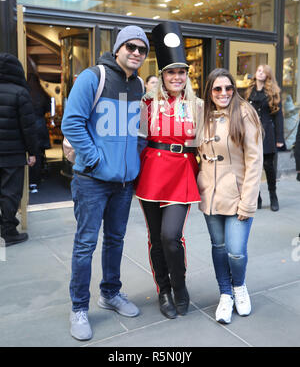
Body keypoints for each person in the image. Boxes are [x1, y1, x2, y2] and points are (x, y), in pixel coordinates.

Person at [61, 25, 149, 341]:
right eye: (131, 47)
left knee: (116, 240)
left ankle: (110, 293)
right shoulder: (93, 77)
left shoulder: (138, 84)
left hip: (124, 183)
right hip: (92, 181)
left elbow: (139, 129)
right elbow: (71, 121)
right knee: (85, 243)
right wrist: (96, 158)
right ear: (118, 48)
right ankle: (79, 308)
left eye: (142, 49)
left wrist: (134, 164)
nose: (136, 53)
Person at [136, 21, 203, 319]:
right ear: (162, 75)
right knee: (155, 237)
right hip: (151, 172)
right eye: (171, 71)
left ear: (187, 75)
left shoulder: (199, 105)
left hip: (182, 173)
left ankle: (180, 286)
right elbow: (134, 140)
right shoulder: (146, 104)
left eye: (181, 72)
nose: (177, 76)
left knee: (170, 236)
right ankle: (163, 290)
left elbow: (209, 144)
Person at [197, 68, 263, 324]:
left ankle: (240, 286)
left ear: (234, 89)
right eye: (217, 89)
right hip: (211, 196)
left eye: (228, 88)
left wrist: (248, 201)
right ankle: (225, 294)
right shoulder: (203, 114)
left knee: (235, 251)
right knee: (219, 247)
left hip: (237, 195)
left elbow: (254, 161)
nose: (223, 93)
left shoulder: (245, 113)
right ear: (210, 91)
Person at [0, 53, 37, 246]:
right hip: (12, 154)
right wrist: (32, 152)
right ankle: (8, 232)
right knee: (10, 193)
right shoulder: (20, 93)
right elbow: (28, 128)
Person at [245, 65, 284, 211]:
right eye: (258, 70)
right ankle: (257, 197)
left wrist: (280, 138)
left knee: (268, 166)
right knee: (253, 168)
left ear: (268, 75)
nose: (260, 73)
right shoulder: (249, 91)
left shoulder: (273, 92)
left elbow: (278, 117)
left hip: (267, 133)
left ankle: (273, 195)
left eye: (263, 71)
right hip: (251, 134)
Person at [27, 57, 51, 193]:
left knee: (31, 154)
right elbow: (48, 106)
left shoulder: (25, 92)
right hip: (41, 125)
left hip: (30, 125)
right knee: (39, 154)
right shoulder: (41, 93)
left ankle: (29, 181)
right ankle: (36, 181)